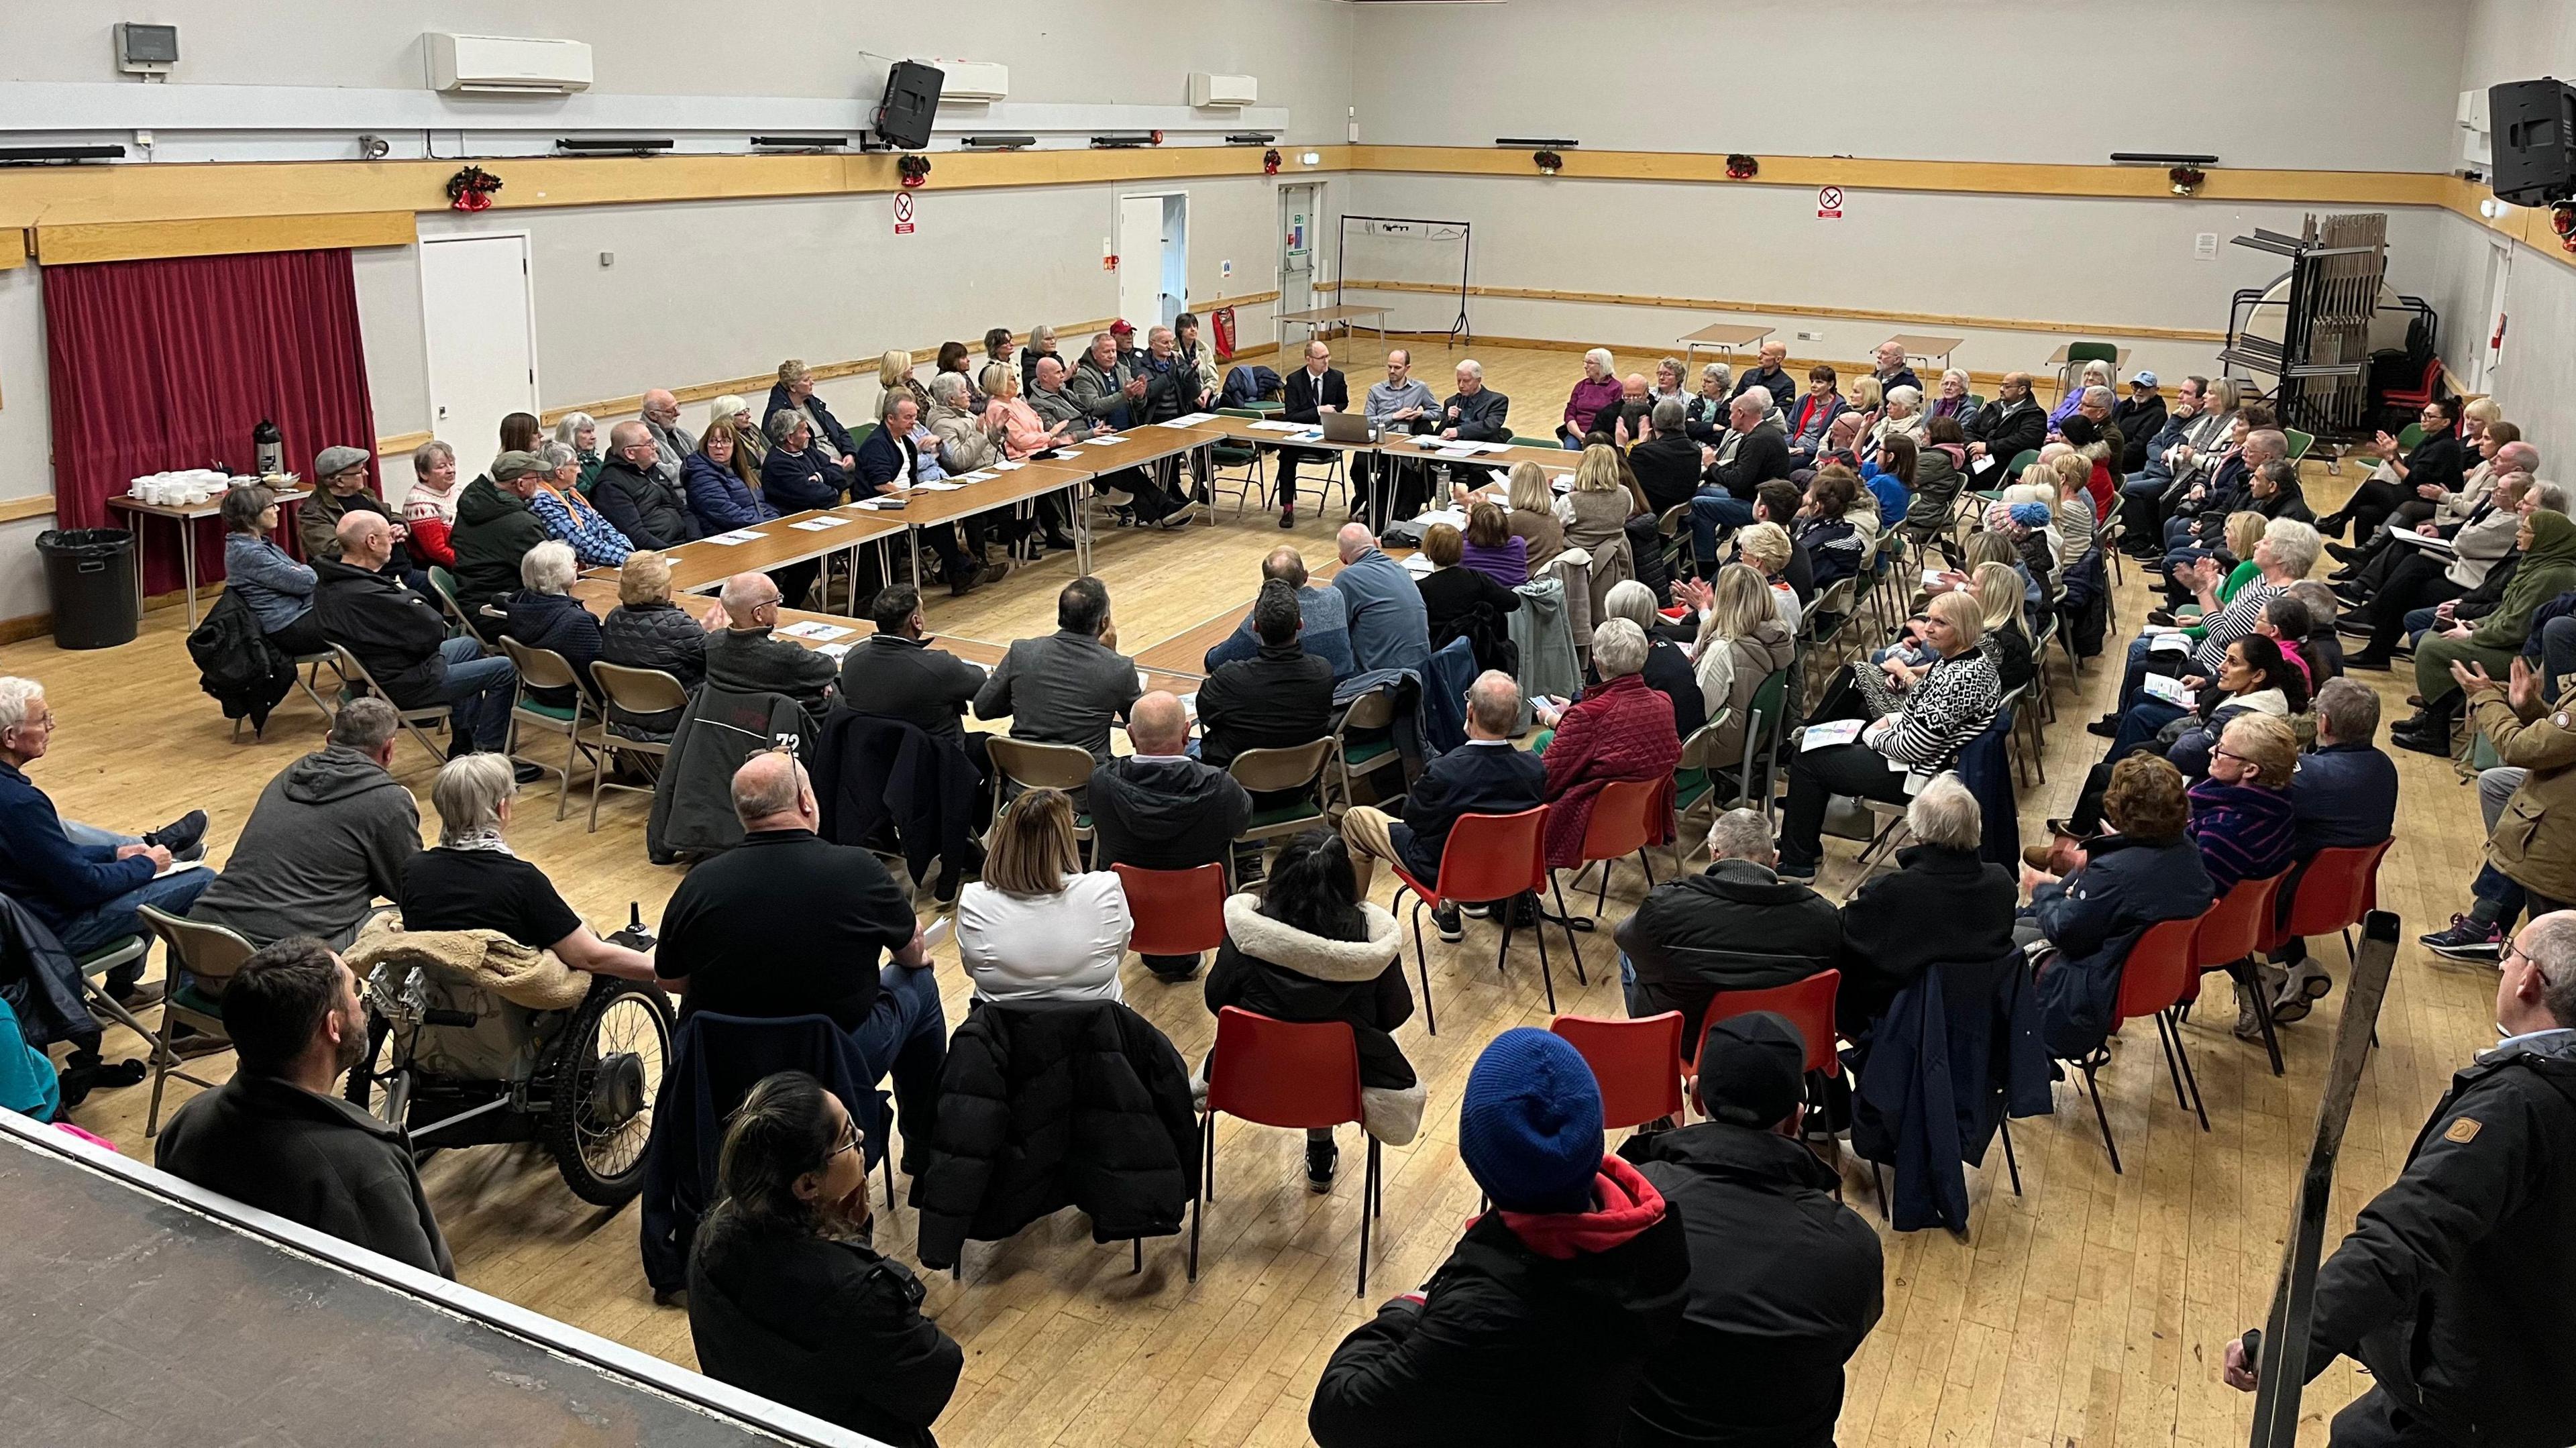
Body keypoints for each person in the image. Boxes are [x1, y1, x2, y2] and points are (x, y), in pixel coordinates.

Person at [2222, 911, 2576, 1448]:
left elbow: (2404, 1237)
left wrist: (2287, 1345)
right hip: (2534, 1385)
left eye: (2509, 956)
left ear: (2529, 981)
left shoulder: (2518, 1109)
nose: (2504, 967)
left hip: (2475, 1398)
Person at [1307, 1026, 1688, 1448]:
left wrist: (1410, 1306)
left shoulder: (1480, 1313)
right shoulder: (1660, 1237)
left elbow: (1338, 1411)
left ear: (1479, 1160)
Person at [657, 752, 945, 1164]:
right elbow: (912, 952)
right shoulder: (858, 869)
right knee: (919, 983)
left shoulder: (700, 882)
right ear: (806, 802)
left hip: (726, 1064)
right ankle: (923, 1149)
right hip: (838, 1059)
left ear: (743, 815)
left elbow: (671, 981)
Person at [1619, 1012, 1884, 1448]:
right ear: (1797, 1117)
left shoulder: (1628, 1207)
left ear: (1697, 1096)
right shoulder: (1852, 1248)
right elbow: (1842, 1340)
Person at [686, 1072, 960, 1448]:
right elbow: (935, 1373)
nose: (862, 1139)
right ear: (807, 1185)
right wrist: (857, 1245)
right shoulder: (861, 1295)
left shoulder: (710, 1243)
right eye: (848, 1138)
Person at [154, 936, 453, 1278]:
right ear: (333, 1027)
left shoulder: (188, 1122)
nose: (361, 1003)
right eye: (354, 993)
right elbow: (427, 1304)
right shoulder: (363, 1169)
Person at [1204, 830, 1423, 1192]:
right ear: (1344, 881)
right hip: (1343, 1082)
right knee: (1334, 1044)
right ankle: (1320, 1148)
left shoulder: (1246, 938)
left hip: (1250, 1076)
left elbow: (1217, 1001)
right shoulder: (1370, 942)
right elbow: (1395, 1014)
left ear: (1279, 877)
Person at [0, 675, 214, 1007]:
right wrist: (145, 863)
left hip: (18, 926)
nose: (51, 726)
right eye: (42, 719)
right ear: (10, 737)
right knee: (201, 882)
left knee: (134, 877)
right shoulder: (19, 803)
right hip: (46, 933)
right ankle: (189, 1020)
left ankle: (124, 991)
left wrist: (114, 852)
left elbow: (42, 856)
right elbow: (83, 887)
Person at [1776, 590, 2000, 881]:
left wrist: (1871, 734)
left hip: (1922, 776)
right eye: (1929, 619)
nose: (1928, 628)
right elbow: (1922, 704)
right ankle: (1802, 844)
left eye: (1940, 623)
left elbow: (1913, 747)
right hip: (1927, 758)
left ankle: (1798, 861)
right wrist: (1892, 719)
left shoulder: (1961, 678)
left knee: (1808, 759)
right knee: (1818, 740)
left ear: (1963, 629)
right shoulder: (1966, 660)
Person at [395, 753, 657, 979]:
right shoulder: (521, 880)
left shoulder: (413, 870)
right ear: (502, 807)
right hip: (511, 1014)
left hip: (435, 1008)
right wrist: (663, 969)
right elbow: (590, 958)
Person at [2025, 755, 2215, 1060]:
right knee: (2023, 922)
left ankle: (2023, 1057)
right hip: (2155, 975)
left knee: (2007, 939)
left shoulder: (2115, 874)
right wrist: (2110, 854)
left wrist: (2043, 888)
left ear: (2119, 808)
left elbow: (2066, 933)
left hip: (2094, 984)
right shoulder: (2188, 852)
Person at [188, 700, 416, 950]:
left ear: (329, 740)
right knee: (414, 919)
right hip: (285, 958)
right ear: (388, 750)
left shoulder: (289, 775)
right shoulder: (389, 801)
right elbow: (411, 890)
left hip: (205, 939)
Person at [1617, 807, 1840, 1050]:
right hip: (1783, 1039)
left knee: (1630, 950)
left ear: (1714, 854)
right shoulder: (1822, 917)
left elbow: (1623, 937)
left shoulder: (1666, 907)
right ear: (1775, 859)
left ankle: (1652, 1048)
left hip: (1689, 1040)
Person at [313, 511, 522, 768]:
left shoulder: (332, 579)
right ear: (371, 542)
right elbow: (433, 630)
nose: (394, 541)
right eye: (389, 535)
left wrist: (407, 602)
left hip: (389, 668)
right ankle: (489, 753)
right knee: (506, 668)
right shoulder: (368, 594)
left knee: (467, 645)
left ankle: (464, 745)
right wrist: (409, 597)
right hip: (406, 681)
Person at [1340, 671, 1546, 928]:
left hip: (1444, 873)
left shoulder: (1445, 772)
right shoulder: (1534, 769)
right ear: (1515, 718)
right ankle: (1456, 903)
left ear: (1470, 712)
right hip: (1507, 872)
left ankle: (1349, 919)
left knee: (1355, 819)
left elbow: (1414, 819)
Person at [1835, 773, 2019, 1032]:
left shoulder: (1892, 892)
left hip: (1901, 1024)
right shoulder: (2002, 884)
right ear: (1975, 827)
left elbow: (1840, 933)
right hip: (1976, 1022)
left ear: (1918, 832)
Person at [2397, 510, 2576, 755]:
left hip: (2520, 656)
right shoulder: (2536, 563)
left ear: (2546, 537)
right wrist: (2474, 625)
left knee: (2432, 648)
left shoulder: (2552, 574)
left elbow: (2517, 628)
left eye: (2526, 530)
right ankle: (2433, 714)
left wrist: (2472, 636)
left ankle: (2434, 733)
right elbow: (2504, 611)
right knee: (2435, 634)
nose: (2518, 534)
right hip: (2505, 643)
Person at [955, 787, 1132, 1005]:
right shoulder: (1106, 889)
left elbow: (972, 968)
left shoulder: (974, 900)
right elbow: (1117, 954)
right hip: (1096, 1031)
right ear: (1066, 838)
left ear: (1006, 837)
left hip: (1002, 1035)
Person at [1535, 620, 1683, 869]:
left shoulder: (1587, 716)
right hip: (1640, 823)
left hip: (1589, 829)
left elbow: (1545, 784)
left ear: (1597, 661)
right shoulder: (1663, 702)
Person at [974, 576, 1140, 765]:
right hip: (1083, 788)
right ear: (1104, 622)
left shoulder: (1022, 652)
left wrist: (1027, 696)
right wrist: (1111, 656)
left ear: (1061, 615)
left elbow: (983, 708)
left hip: (1022, 784)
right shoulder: (1119, 668)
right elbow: (1140, 729)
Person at [839, 583, 989, 781]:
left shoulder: (853, 659)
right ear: (916, 622)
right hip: (937, 766)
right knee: (994, 747)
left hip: (876, 765)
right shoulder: (938, 667)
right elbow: (981, 682)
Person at [1197, 581, 1336, 771]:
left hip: (1238, 789)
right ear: (1300, 625)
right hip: (1302, 781)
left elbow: (1206, 714)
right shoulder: (1323, 672)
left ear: (1255, 627)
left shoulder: (1229, 679)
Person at [1684, 563, 1796, 767]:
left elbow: (1699, 713)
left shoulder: (1724, 649)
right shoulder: (1777, 637)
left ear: (1724, 602)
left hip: (1718, 745)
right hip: (1753, 739)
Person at [600, 551, 720, 739]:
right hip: (677, 718)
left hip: (624, 715)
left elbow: (662, 637)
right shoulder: (678, 625)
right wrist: (721, 634)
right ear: (663, 589)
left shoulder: (614, 618)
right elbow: (719, 659)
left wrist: (701, 627)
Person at [701, 571, 837, 722]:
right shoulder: (787, 657)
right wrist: (820, 681)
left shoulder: (713, 644)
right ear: (758, 614)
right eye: (775, 599)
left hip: (736, 727)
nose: (779, 603)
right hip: (795, 730)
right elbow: (829, 666)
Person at [1202, 546, 1356, 679]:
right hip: (1349, 694)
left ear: (1266, 585)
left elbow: (1214, 661)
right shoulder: (1335, 596)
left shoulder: (1266, 614)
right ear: (1306, 576)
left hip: (1308, 698)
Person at [1688, 392, 1794, 573]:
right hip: (1755, 498)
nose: (1729, 417)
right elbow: (1741, 471)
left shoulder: (1757, 441)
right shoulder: (1764, 433)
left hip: (1758, 507)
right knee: (1701, 492)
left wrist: (1712, 465)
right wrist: (1710, 472)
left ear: (1741, 413)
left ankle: (1705, 564)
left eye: (1731, 413)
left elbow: (1737, 482)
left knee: (1699, 505)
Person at [220, 484, 325, 657]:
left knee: (357, 606)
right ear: (249, 517)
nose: (277, 509)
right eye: (270, 506)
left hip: (300, 613)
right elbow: (308, 582)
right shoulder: (249, 553)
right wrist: (304, 570)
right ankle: (360, 680)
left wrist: (301, 569)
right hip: (288, 627)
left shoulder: (258, 543)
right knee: (361, 619)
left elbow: (301, 574)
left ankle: (358, 678)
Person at [1599, 580, 1705, 738]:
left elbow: (1595, 717)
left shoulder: (1615, 655)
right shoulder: (1669, 644)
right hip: (1693, 738)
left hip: (1660, 746)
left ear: (1613, 616)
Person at [450, 449, 555, 605]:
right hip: (502, 606)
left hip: (472, 598)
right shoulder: (520, 524)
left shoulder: (473, 505)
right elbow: (548, 573)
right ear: (520, 484)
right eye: (536, 477)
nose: (540, 481)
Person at [1415, 522, 1523, 666]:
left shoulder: (1421, 589)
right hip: (1481, 656)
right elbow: (1513, 601)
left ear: (1428, 550)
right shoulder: (1476, 579)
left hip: (1439, 660)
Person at [1333, 522, 1434, 675]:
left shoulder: (1346, 579)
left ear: (1343, 559)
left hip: (1384, 682)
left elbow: (1336, 634)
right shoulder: (1400, 568)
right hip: (1422, 673)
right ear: (1376, 543)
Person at [1275, 339, 1350, 528]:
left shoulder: (1337, 377)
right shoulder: (1294, 381)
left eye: (1328, 356)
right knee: (1286, 456)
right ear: (1309, 359)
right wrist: (1317, 411)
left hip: (1327, 435)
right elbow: (1291, 415)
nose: (1326, 361)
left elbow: (1343, 402)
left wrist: (1333, 410)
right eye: (1322, 357)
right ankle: (1288, 507)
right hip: (1302, 433)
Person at [593, 419, 700, 551]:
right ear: (630, 453)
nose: (655, 447)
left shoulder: (654, 470)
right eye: (649, 443)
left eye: (653, 441)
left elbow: (683, 511)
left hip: (684, 544)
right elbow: (635, 534)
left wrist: (695, 541)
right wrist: (672, 551)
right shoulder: (610, 486)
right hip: (656, 552)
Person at [521, 446, 635, 571]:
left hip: (604, 563)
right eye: (575, 465)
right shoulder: (542, 503)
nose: (580, 471)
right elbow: (579, 543)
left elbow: (605, 527)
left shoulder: (571, 495)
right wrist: (626, 557)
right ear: (560, 472)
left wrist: (628, 551)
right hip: (574, 573)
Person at [1356, 348, 1438, 520]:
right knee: (1358, 467)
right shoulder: (1376, 390)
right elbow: (1367, 420)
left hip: (1404, 445)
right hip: (1378, 441)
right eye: (1389, 367)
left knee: (1401, 470)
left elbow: (1438, 412)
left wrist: (1421, 414)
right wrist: (1393, 417)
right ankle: (1371, 497)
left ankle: (1386, 506)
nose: (1392, 371)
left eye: (1397, 367)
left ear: (1407, 368)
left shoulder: (1420, 388)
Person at [299, 445, 402, 565]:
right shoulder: (313, 513)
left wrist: (398, 525)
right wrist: (380, 540)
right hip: (369, 577)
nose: (366, 473)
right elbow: (331, 550)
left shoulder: (364, 495)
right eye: (360, 471)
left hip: (401, 569)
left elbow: (389, 514)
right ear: (340, 481)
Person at [766, 359, 856, 473]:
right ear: (793, 387)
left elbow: (839, 430)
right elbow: (796, 452)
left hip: (841, 462)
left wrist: (849, 453)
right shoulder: (780, 415)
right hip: (819, 469)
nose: (812, 382)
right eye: (806, 380)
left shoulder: (813, 403)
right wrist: (833, 465)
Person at [1629, 399, 1706, 516]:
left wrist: (1637, 444)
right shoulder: (1695, 451)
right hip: (1679, 516)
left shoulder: (1643, 453)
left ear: (1654, 423)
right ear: (1683, 422)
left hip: (1648, 516)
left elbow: (1622, 478)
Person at [1963, 371, 2047, 478]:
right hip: (1975, 454)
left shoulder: (2034, 414)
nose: (2001, 389)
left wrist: (1987, 448)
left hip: (2000, 461)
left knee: (1960, 474)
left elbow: (2024, 441)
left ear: (2022, 390)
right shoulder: (1993, 407)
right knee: (1944, 464)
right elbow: (1969, 430)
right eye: (2001, 385)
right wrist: (1975, 449)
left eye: (2007, 386)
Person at [402, 440, 462, 568]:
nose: (451, 470)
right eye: (442, 467)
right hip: (444, 567)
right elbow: (437, 552)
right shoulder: (419, 503)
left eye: (451, 464)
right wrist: (471, 563)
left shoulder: (456, 489)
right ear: (423, 474)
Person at [1783, 365, 1848, 469]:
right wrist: (1788, 446)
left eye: (1819, 382)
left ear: (1831, 384)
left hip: (1813, 453)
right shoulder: (1804, 400)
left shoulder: (1838, 407)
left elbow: (1830, 440)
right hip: (1792, 448)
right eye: (1812, 381)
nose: (1813, 385)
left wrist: (1805, 450)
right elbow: (1789, 427)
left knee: (1784, 466)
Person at [1561, 347, 1625, 447]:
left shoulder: (1617, 388)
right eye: (1585, 362)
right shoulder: (1580, 386)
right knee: (1571, 448)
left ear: (1603, 365)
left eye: (1590, 363)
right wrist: (1580, 435)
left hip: (1602, 434)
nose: (1585, 366)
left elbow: (1615, 417)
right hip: (1578, 433)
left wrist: (1592, 437)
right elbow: (1570, 413)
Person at [1438, 357, 1511, 445]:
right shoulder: (1451, 402)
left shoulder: (1497, 401)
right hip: (1453, 448)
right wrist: (1448, 419)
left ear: (1478, 380)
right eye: (1459, 381)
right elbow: (1437, 433)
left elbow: (1489, 427)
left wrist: (1459, 431)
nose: (1461, 385)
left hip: (1483, 447)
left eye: (1466, 381)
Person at [1460, 500, 1530, 588]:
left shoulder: (1464, 549)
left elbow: (1459, 542)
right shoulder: (1519, 544)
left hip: (1484, 598)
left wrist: (1467, 528)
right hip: (1516, 597)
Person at [706, 392, 769, 473]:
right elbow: (743, 473)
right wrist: (772, 474)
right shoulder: (727, 441)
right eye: (742, 414)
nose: (748, 416)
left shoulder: (752, 428)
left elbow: (771, 450)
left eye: (747, 411)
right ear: (728, 418)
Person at [1732, 341, 1794, 410]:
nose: (1759, 356)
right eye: (1760, 352)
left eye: (1765, 354)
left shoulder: (1787, 384)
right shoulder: (1748, 375)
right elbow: (1735, 398)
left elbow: (1782, 411)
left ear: (1778, 359)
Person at [553, 411, 605, 494]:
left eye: (593, 431)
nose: (593, 437)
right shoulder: (565, 465)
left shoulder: (595, 461)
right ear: (572, 435)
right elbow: (588, 493)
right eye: (587, 432)